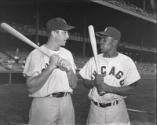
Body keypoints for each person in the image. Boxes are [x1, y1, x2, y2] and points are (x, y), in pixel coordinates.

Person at [79, 26, 141, 125]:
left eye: (105, 39)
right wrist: (94, 82)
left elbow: (133, 89)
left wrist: (109, 88)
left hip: (117, 110)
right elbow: (85, 82)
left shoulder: (126, 61)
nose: (101, 41)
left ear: (115, 42)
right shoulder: (93, 60)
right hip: (95, 110)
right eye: (101, 39)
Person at [23, 17, 78, 125]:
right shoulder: (36, 54)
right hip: (44, 103)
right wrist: (51, 67)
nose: (68, 36)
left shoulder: (67, 54)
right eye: (65, 32)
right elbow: (31, 87)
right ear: (54, 33)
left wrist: (69, 72)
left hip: (66, 102)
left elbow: (74, 85)